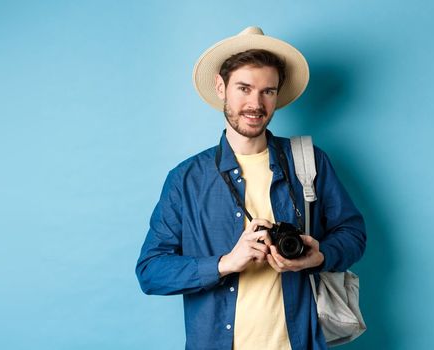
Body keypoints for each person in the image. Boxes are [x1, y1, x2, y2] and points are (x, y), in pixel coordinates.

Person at [135, 26, 366, 350]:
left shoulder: (308, 161)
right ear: (221, 87)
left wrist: (318, 256)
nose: (255, 104)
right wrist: (225, 263)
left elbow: (353, 234)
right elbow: (150, 271)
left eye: (267, 91)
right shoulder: (187, 179)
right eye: (244, 88)